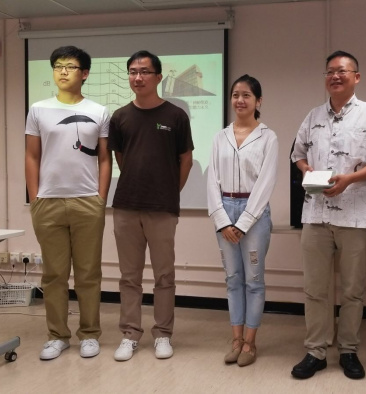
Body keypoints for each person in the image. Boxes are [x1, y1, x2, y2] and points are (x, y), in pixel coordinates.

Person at [290, 51, 366, 380]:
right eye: (330, 71)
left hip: (355, 216)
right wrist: (309, 171)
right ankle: (315, 351)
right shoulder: (314, 115)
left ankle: (348, 350)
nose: (335, 76)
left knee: (352, 290)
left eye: (342, 71)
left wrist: (348, 179)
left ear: (356, 77)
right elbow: (298, 154)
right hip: (316, 214)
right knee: (315, 288)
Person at [25, 46, 111, 360]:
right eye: (58, 66)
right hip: (47, 202)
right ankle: (57, 336)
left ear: (84, 73)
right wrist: (35, 198)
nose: (63, 71)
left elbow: (105, 159)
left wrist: (100, 199)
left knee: (88, 273)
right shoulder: (38, 109)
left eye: (70, 66)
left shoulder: (99, 111)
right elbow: (32, 155)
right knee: (53, 275)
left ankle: (89, 334)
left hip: (87, 202)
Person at [108, 50, 194, 361]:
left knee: (164, 276)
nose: (138, 77)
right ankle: (130, 334)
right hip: (126, 206)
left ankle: (163, 334)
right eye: (132, 71)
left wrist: (170, 190)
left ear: (158, 77)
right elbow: (121, 159)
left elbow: (186, 159)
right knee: (129, 276)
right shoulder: (119, 117)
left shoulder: (175, 116)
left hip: (162, 208)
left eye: (144, 71)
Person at [207, 74, 278, 367]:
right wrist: (223, 221)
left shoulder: (268, 137)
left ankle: (250, 343)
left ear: (258, 101)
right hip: (225, 208)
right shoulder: (219, 136)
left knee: (254, 281)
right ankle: (235, 340)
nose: (240, 100)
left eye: (247, 95)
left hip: (255, 213)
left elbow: (266, 182)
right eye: (236, 95)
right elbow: (211, 180)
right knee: (233, 280)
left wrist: (243, 222)